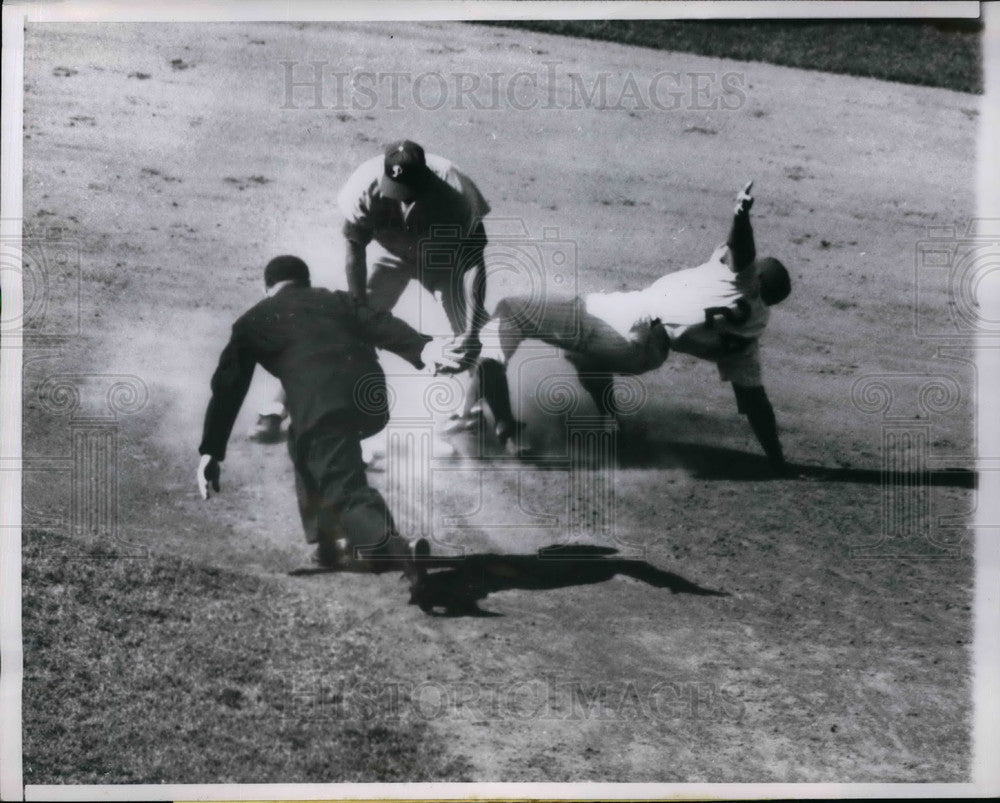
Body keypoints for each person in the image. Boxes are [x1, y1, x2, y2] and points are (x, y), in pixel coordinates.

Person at [443, 181, 792, 475]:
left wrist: (740, 215)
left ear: (758, 280)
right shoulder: (751, 336)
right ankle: (611, 425)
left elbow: (741, 249)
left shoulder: (743, 282)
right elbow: (754, 402)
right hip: (646, 356)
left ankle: (487, 424)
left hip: (628, 320)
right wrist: (777, 461)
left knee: (510, 312)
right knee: (581, 355)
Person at [197, 255, 436, 593]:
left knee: (345, 489)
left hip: (324, 405)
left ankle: (399, 550)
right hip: (370, 399)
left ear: (267, 288)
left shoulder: (254, 319)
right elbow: (381, 324)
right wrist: (424, 350)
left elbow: (228, 387)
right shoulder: (336, 299)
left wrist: (211, 451)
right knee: (303, 441)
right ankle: (328, 545)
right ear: (306, 281)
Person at [249, 140, 491, 441]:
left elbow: (474, 264)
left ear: (426, 178)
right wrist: (358, 308)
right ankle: (275, 408)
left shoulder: (456, 191)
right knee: (338, 327)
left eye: (407, 190)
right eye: (394, 188)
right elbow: (355, 248)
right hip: (391, 254)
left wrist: (471, 329)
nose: (399, 198)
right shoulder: (365, 184)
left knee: (473, 337)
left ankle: (486, 413)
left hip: (444, 260)